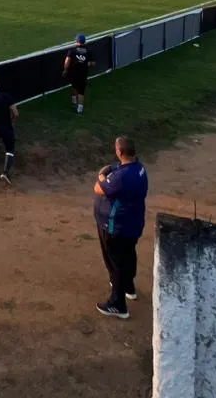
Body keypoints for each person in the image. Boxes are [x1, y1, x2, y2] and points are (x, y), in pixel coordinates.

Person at [94, 136, 148, 319]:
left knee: (115, 263)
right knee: (128, 255)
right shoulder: (139, 169)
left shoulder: (121, 177)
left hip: (116, 227)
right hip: (132, 224)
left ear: (120, 152)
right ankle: (128, 287)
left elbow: (99, 188)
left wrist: (101, 176)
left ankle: (118, 304)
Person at [64, 34, 92, 114]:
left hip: (74, 74)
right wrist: (85, 63)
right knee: (81, 92)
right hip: (83, 74)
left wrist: (65, 70)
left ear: (77, 41)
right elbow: (93, 63)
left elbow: (67, 62)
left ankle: (74, 101)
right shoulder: (88, 51)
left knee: (74, 87)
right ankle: (80, 109)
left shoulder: (72, 50)